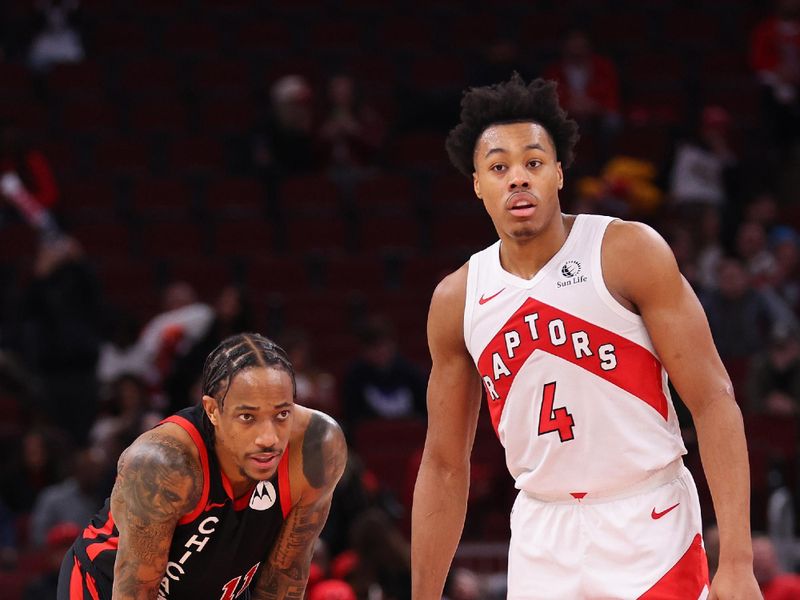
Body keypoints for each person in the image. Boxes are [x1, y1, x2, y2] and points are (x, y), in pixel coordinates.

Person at [411, 75, 759, 599]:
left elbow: (713, 400)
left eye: (533, 162)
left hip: (649, 521)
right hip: (540, 534)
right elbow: (442, 465)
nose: (517, 179)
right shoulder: (456, 299)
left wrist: (736, 559)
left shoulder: (626, 251)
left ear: (558, 173)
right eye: (499, 167)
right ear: (477, 183)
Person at [58, 332, 347, 600]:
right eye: (248, 417)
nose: (268, 438)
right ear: (212, 410)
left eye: (282, 414)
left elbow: (283, 579)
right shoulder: (163, 464)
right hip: (108, 588)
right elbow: (136, 590)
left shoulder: (317, 447)